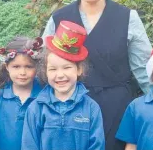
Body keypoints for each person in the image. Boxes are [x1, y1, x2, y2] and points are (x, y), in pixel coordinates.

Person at [41, 0, 153, 149]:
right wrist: (5, 86)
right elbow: (42, 66)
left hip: (118, 111)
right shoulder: (58, 19)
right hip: (70, 110)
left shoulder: (128, 18)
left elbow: (144, 71)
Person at [22, 20, 105, 150]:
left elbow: (97, 146)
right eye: (53, 69)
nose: (60, 75)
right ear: (46, 72)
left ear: (79, 70)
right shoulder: (36, 108)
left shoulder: (91, 108)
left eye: (66, 67)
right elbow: (29, 145)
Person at [0, 36, 43, 150]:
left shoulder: (46, 96)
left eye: (29, 66)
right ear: (7, 67)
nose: (22, 72)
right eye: (16, 66)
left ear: (37, 67)